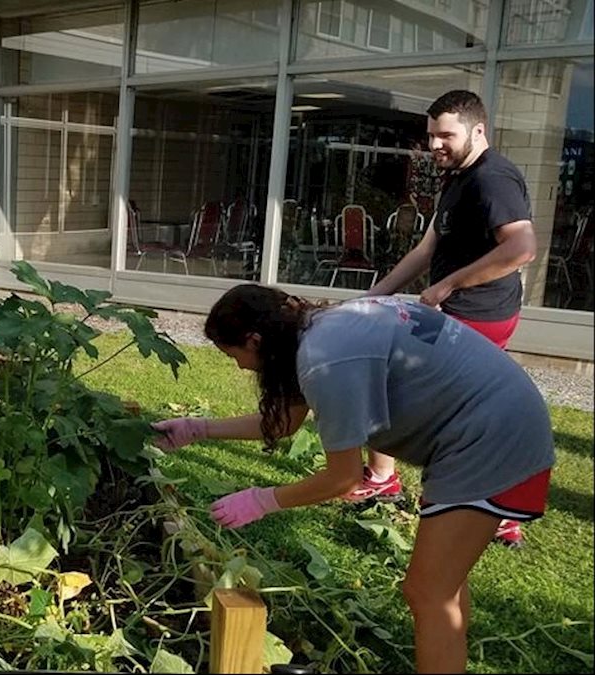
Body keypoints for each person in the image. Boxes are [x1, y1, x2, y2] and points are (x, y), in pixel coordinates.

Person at [151, 285, 554, 674]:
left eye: (232, 354)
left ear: (255, 341)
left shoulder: (324, 361)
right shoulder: (317, 330)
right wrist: (197, 429)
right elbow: (283, 422)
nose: (239, 366)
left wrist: (262, 500)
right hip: (485, 425)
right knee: (442, 585)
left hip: (493, 437)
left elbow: (342, 479)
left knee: (428, 591)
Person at [361, 89, 538, 548]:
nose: (435, 144)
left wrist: (448, 286)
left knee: (392, 384)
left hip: (473, 314)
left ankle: (487, 509)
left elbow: (521, 248)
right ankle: (492, 509)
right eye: (431, 136)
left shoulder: (492, 179)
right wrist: (375, 296)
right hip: (455, 310)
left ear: (478, 131)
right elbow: (427, 249)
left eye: (446, 135)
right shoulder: (458, 175)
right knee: (407, 388)